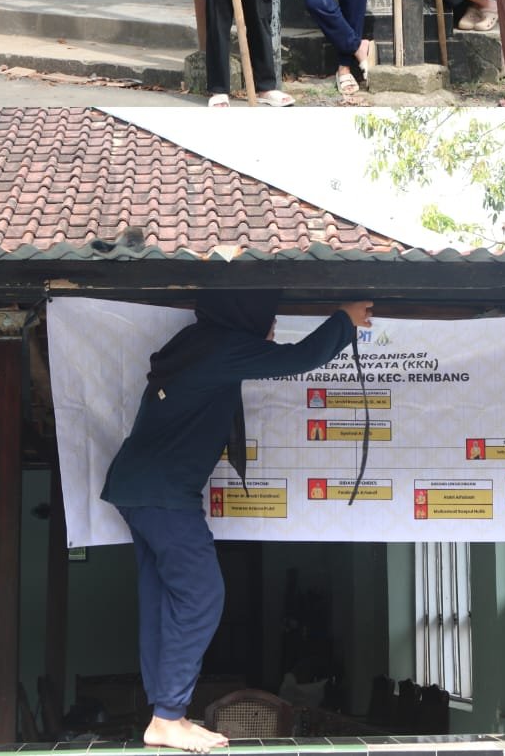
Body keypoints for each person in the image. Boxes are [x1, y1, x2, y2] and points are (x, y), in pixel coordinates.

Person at [101, 292, 374, 753]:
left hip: (139, 487)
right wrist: (344, 321)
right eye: (268, 317)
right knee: (202, 595)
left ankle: (164, 715)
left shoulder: (199, 343)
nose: (272, 328)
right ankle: (167, 716)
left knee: (163, 598)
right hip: (163, 493)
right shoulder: (222, 347)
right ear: (244, 317)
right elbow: (298, 358)